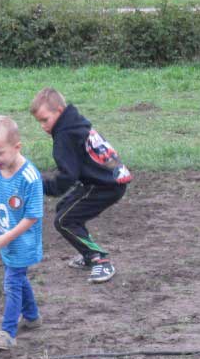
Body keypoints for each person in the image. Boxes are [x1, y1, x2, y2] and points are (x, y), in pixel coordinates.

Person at [30, 88, 131, 284]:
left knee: (64, 221)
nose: (43, 126)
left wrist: (40, 186)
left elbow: (67, 178)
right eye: (39, 122)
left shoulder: (64, 135)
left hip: (104, 185)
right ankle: (88, 253)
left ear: (59, 111)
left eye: (45, 120)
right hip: (108, 178)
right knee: (64, 211)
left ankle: (99, 258)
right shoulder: (76, 123)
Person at [0, 115, 44, 351]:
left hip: (23, 242)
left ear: (17, 147)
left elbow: (33, 216)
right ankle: (33, 317)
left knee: (12, 282)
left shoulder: (30, 177)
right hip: (7, 242)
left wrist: (7, 237)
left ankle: (7, 332)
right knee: (18, 277)